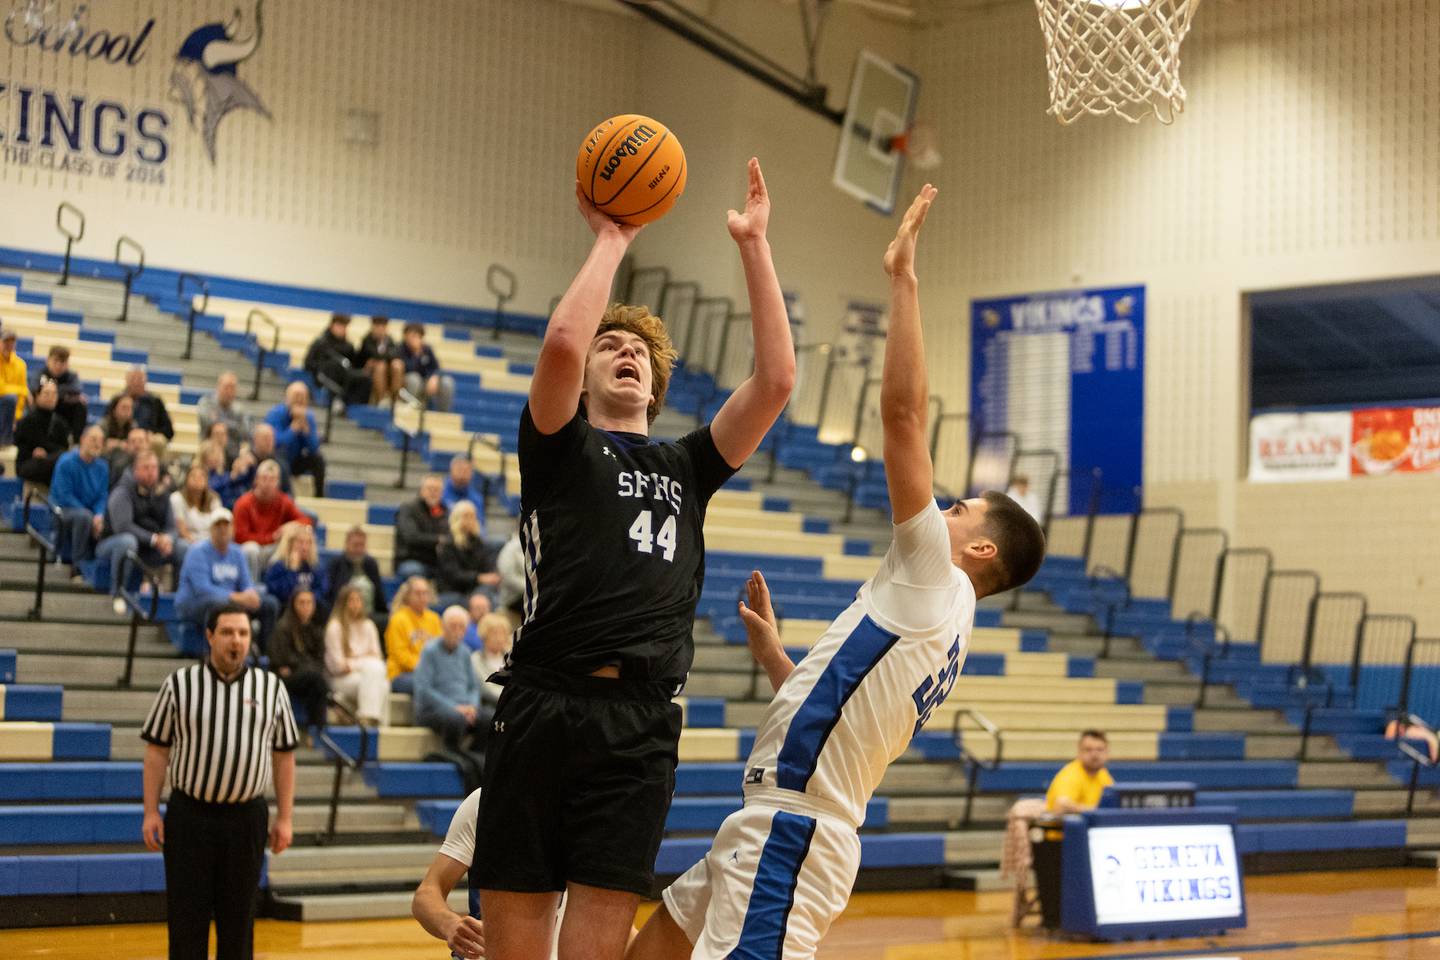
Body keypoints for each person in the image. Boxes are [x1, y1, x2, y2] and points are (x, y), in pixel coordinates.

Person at [627, 186, 1046, 960]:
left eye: (962, 510)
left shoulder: (935, 577)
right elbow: (841, 719)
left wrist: (903, 279)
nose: (946, 509)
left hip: (794, 831)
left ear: (982, 550)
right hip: (770, 821)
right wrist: (776, 659)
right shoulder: (938, 618)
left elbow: (902, 417)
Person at [473, 157, 796, 960]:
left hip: (641, 723)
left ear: (654, 384)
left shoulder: (688, 464)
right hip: (542, 704)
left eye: (640, 351)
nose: (625, 353)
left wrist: (754, 246)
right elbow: (557, 344)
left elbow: (778, 379)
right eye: (609, 345)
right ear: (585, 378)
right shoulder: (559, 449)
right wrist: (614, 237)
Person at [140, 603, 297, 960]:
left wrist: (285, 818)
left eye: (243, 633)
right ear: (209, 636)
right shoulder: (179, 684)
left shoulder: (271, 688)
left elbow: (284, 756)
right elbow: (157, 752)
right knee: (186, 919)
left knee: (239, 921)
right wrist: (151, 811)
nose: (236, 641)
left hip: (246, 820)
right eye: (227, 632)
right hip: (189, 817)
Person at [1031, 729, 1114, 928]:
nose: (1094, 754)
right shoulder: (1071, 775)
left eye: (1099, 749)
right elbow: (1061, 804)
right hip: (1055, 841)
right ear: (1079, 752)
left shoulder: (1103, 776)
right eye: (1088, 749)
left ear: (1107, 753)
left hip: (1085, 842)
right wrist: (1090, 810)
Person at [174, 509, 276, 646]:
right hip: (196, 604)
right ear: (210, 529)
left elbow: (246, 583)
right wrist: (237, 597)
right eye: (218, 526)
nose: (223, 530)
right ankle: (211, 653)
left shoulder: (237, 552)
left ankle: (263, 654)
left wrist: (250, 595)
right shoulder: (197, 552)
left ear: (232, 529)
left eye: (226, 525)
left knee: (269, 604)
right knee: (217, 604)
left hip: (230, 601)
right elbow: (202, 588)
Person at [96, 450, 188, 601]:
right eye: (146, 468)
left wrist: (167, 539)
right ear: (135, 469)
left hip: (150, 546)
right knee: (127, 542)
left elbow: (172, 527)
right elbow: (123, 527)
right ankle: (118, 595)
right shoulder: (122, 491)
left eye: (154, 468)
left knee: (184, 548)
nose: (151, 472)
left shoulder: (162, 493)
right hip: (111, 544)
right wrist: (154, 539)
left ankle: (177, 601)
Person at [413, 606, 484, 751]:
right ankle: (452, 755)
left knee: (489, 719)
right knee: (455, 718)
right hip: (432, 711)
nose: (457, 631)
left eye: (461, 627)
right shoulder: (429, 650)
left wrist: (472, 707)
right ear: (443, 627)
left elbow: (473, 687)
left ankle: (475, 759)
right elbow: (424, 690)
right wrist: (455, 708)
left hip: (462, 708)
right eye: (453, 626)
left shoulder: (465, 652)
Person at [233, 460, 311, 581]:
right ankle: (251, 588)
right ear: (256, 480)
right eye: (264, 478)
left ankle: (280, 587)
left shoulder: (283, 501)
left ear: (278, 482)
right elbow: (240, 537)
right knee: (250, 549)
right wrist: (271, 537)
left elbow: (306, 520)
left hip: (272, 549)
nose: (268, 483)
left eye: (272, 479)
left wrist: (291, 525)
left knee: (290, 544)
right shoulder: (243, 504)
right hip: (250, 550)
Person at [325, 584, 390, 726]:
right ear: (343, 603)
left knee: (383, 683)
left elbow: (377, 657)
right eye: (351, 600)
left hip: (364, 676)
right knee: (375, 675)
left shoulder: (369, 625)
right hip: (340, 679)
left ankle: (372, 720)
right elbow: (338, 666)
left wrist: (352, 662)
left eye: (358, 600)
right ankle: (370, 721)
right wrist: (365, 660)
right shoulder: (335, 627)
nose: (355, 604)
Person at [48, 425, 109, 571]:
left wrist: (99, 514)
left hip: (89, 512)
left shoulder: (103, 467)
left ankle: (99, 568)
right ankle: (78, 565)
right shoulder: (66, 462)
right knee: (84, 517)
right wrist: (91, 515)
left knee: (109, 519)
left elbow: (102, 496)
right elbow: (64, 496)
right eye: (93, 439)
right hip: (62, 510)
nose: (97, 443)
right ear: (82, 440)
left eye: (100, 440)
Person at [268, 589, 331, 732]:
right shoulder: (283, 627)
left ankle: (317, 730)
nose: (306, 606)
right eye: (301, 602)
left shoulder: (315, 628)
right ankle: (317, 730)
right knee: (317, 680)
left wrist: (304, 665)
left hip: (307, 675)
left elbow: (320, 658)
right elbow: (281, 661)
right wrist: (304, 665)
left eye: (309, 602)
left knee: (317, 679)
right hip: (285, 679)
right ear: (293, 604)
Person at [264, 381, 326, 498]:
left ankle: (319, 496)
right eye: (296, 397)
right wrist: (293, 429)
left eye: (302, 398)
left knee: (318, 459)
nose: (299, 401)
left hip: (296, 460)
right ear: (287, 399)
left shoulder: (308, 417)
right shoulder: (275, 414)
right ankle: (287, 496)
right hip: (278, 458)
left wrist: (306, 431)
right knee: (280, 457)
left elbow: (314, 448)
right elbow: (276, 443)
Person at [436, 501, 499, 609]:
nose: (470, 520)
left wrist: (491, 575)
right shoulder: (448, 543)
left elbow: (487, 565)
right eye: (466, 516)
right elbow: (453, 575)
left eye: (473, 516)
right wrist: (478, 578)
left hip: (475, 588)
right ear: (456, 518)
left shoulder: (478, 542)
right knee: (482, 599)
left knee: (490, 594)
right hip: (454, 590)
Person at [386, 576, 442, 695]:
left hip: (428, 672)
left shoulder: (434, 619)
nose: (422, 597)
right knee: (428, 684)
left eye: (425, 593)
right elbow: (400, 655)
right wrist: (426, 668)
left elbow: (440, 650)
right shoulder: (398, 619)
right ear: (407, 596)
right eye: (417, 593)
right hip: (401, 674)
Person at [322, 525, 389, 625]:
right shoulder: (336, 564)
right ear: (347, 544)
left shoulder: (371, 564)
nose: (359, 549)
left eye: (362, 545)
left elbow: (379, 595)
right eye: (355, 545)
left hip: (369, 615)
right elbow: (331, 595)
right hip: (344, 615)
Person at [303, 312, 370, 407]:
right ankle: (337, 401)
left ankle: (356, 408)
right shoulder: (321, 343)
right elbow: (308, 363)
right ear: (332, 325)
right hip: (326, 375)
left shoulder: (348, 346)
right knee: (334, 366)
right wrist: (322, 367)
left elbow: (353, 365)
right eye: (339, 325)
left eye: (344, 326)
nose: (342, 329)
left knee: (365, 378)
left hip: (345, 376)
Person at [13, 380, 72, 486]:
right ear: (37, 396)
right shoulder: (27, 421)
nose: (51, 397)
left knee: (65, 458)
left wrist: (47, 453)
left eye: (54, 394)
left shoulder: (61, 422)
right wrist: (33, 452)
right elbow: (20, 447)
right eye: (46, 393)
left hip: (52, 462)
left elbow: (64, 449)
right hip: (30, 463)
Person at [109, 366, 174, 457]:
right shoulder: (118, 400)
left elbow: (168, 431)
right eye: (133, 379)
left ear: (145, 381)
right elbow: (107, 422)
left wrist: (151, 435)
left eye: (139, 379)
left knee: (159, 441)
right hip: (123, 439)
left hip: (148, 441)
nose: (136, 382)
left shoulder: (155, 401)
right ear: (127, 381)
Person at [263, 520, 329, 610]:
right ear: (290, 544)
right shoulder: (278, 565)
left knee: (323, 606)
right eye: (300, 542)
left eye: (308, 543)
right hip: (286, 606)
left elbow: (322, 589)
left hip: (310, 606)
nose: (305, 547)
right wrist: (292, 570)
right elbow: (279, 592)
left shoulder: (316, 566)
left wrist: (308, 599)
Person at [394, 473, 448, 580]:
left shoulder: (446, 512)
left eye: (437, 489)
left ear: (442, 493)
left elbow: (450, 537)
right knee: (415, 570)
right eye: (429, 489)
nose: (433, 492)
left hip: (436, 562)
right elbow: (411, 537)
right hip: (410, 560)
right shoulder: (408, 509)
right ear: (421, 491)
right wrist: (439, 539)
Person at [28, 344, 87, 442]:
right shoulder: (39, 374)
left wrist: (50, 391)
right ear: (48, 360)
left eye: (62, 362)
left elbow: (76, 388)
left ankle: (76, 441)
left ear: (67, 363)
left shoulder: (72, 376)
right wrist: (64, 394)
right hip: (43, 410)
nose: (58, 365)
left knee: (81, 404)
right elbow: (34, 389)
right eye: (56, 361)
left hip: (63, 411)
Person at [196, 371, 252, 462]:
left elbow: (245, 432)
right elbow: (207, 422)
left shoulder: (240, 409)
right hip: (209, 453)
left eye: (232, 388)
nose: (229, 391)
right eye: (226, 387)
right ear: (218, 387)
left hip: (233, 455)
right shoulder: (206, 403)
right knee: (218, 431)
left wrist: (219, 420)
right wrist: (234, 424)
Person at [400, 322, 455, 412]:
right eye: (412, 335)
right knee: (414, 379)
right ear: (405, 336)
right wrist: (417, 355)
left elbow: (436, 367)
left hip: (425, 383)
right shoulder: (400, 349)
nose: (415, 339)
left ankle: (444, 413)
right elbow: (408, 368)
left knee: (447, 382)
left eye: (418, 336)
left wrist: (434, 377)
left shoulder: (427, 349)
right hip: (404, 388)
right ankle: (409, 409)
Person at [171, 462, 230, 544]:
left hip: (211, 541)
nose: (197, 479)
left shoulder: (214, 498)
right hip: (189, 541)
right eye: (193, 476)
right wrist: (199, 547)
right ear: (186, 479)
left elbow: (218, 526)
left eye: (202, 476)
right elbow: (182, 530)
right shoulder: (177, 498)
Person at [469, 611, 512, 713]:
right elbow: (486, 689)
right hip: (489, 705)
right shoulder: (475, 659)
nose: (499, 638)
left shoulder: (511, 657)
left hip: (511, 702)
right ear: (484, 636)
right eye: (495, 634)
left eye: (502, 633)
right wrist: (511, 698)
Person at [358, 314, 405, 404]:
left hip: (387, 372)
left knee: (397, 364)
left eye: (383, 327)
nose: (380, 329)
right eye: (378, 326)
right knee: (380, 365)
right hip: (368, 372)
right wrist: (385, 357)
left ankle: (395, 400)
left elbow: (395, 354)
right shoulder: (367, 340)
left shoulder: (389, 340)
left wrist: (386, 358)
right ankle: (381, 400)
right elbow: (373, 354)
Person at [0, 326, 26, 451]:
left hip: (11, 406)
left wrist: (16, 417)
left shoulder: (21, 364)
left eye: (12, 341)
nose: (9, 345)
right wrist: (19, 390)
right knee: (9, 399)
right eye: (6, 341)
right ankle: (5, 441)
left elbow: (22, 395)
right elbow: (1, 388)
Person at [441, 454, 486, 521]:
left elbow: (480, 525)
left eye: (466, 470)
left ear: (472, 474)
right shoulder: (440, 492)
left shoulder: (477, 498)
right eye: (459, 469)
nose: (462, 473)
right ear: (451, 470)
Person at [494, 531, 525, 617]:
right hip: (514, 598)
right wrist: (530, 587)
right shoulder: (511, 547)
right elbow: (508, 576)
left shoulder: (537, 545)